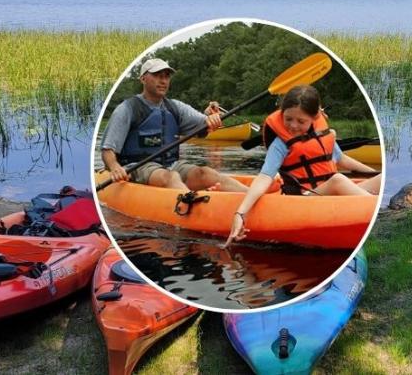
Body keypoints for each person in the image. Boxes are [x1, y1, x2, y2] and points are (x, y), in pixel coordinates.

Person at [222, 84, 381, 248]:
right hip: (303, 196)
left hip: (327, 192)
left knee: (380, 178)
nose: (293, 125)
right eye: (288, 118)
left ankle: (373, 203)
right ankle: (379, 213)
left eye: (301, 121)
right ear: (282, 113)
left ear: (314, 118)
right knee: (338, 180)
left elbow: (342, 160)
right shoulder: (280, 144)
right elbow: (264, 177)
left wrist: (374, 173)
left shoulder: (320, 134)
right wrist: (241, 212)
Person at [100, 58, 248, 192]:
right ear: (143, 78)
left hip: (172, 165)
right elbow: (108, 149)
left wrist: (212, 118)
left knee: (205, 173)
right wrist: (115, 167)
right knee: (170, 177)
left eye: (166, 76)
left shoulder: (175, 107)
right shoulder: (127, 109)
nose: (163, 81)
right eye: (158, 75)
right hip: (138, 166)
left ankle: (251, 195)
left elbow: (204, 122)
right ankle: (192, 204)